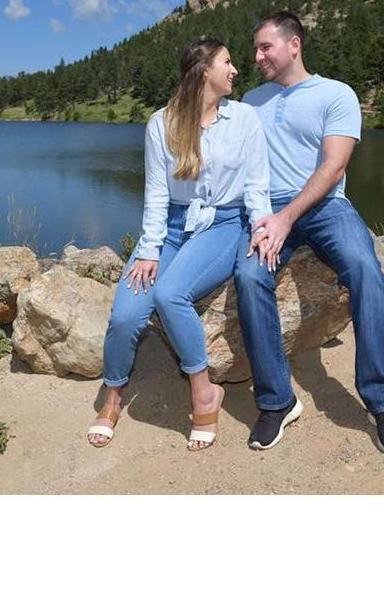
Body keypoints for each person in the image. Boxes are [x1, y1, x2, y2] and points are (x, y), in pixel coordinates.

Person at [233, 11, 384, 455]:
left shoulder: (336, 94)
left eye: (265, 47)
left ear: (294, 44)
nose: (257, 57)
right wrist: (263, 216)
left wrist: (287, 217)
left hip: (325, 204)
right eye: (255, 49)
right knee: (249, 277)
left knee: (364, 267)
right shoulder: (251, 100)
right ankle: (277, 401)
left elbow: (334, 166)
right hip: (266, 209)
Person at [87, 38, 273, 451]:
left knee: (170, 295)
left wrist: (261, 227)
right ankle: (113, 394)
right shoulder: (162, 122)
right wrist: (149, 249)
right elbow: (156, 193)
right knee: (126, 313)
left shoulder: (244, 118)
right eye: (227, 62)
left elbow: (257, 183)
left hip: (224, 223)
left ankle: (204, 392)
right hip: (171, 226)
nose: (235, 70)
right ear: (204, 69)